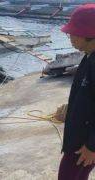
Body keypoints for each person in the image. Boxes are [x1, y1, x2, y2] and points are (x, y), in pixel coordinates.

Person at [58, 4, 95, 180]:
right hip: (81, 138)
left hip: (84, 144)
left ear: (88, 34)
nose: (69, 37)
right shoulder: (88, 55)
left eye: (72, 32)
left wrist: (92, 146)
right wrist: (70, 110)